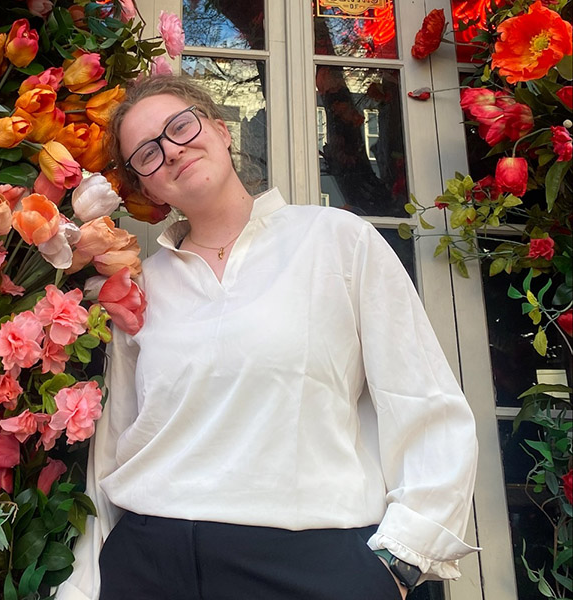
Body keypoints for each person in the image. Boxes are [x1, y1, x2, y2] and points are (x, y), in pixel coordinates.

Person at [55, 76, 479, 600]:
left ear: (219, 128)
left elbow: (424, 402)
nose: (171, 150)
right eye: (146, 152)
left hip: (311, 561)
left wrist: (402, 559)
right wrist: (85, 585)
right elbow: (117, 442)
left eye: (180, 126)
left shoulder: (336, 241)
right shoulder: (142, 288)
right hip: (151, 561)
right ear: (146, 188)